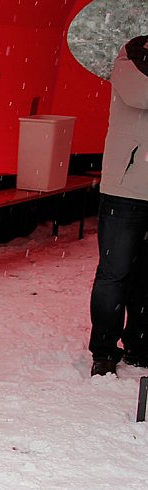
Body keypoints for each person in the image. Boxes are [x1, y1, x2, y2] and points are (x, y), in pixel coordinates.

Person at [89, 35, 148, 377]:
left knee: (146, 276)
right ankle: (104, 351)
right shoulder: (134, 50)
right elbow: (140, 92)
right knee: (115, 274)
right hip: (124, 190)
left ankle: (140, 346)